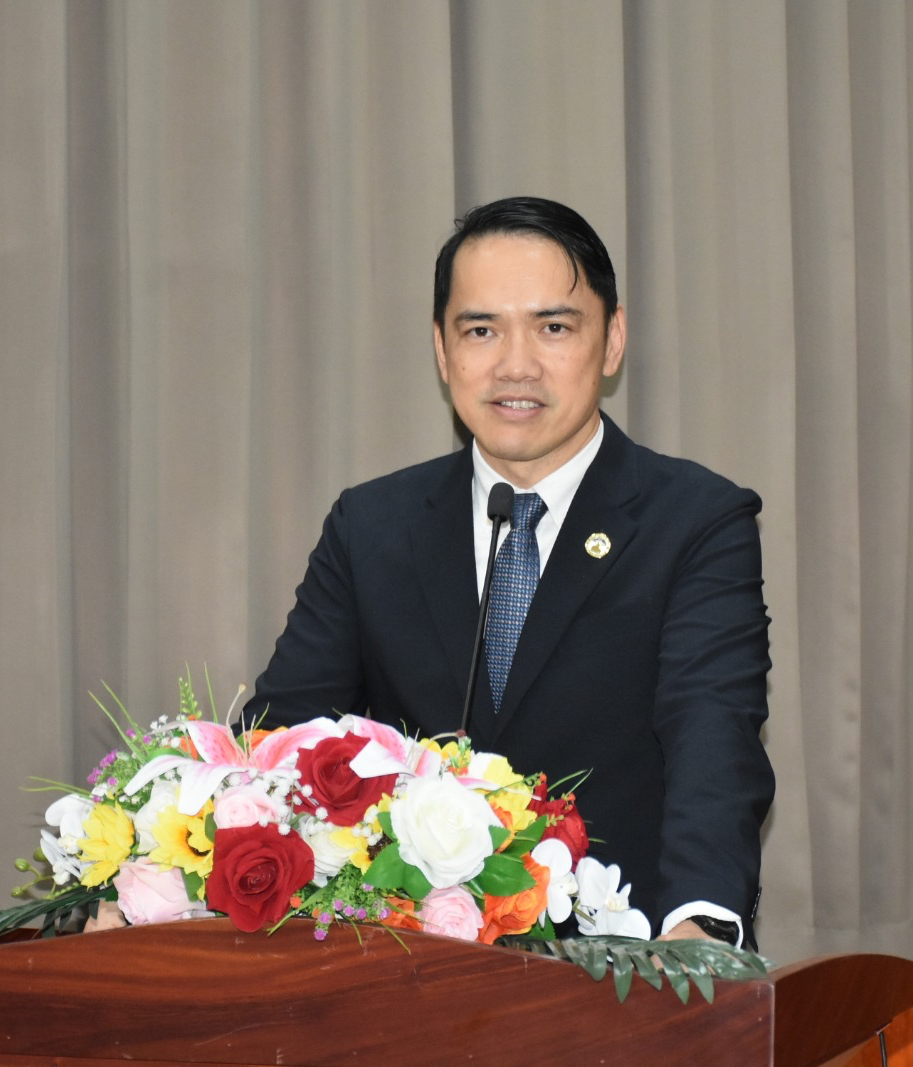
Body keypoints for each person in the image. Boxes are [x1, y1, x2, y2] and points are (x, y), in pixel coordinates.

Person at [250, 196, 772, 947]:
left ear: (612, 340)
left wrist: (700, 922)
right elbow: (281, 743)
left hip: (623, 966)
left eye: (554, 327)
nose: (515, 365)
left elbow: (712, 739)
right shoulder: (371, 526)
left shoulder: (696, 521)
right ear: (442, 351)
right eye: (481, 330)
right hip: (407, 968)